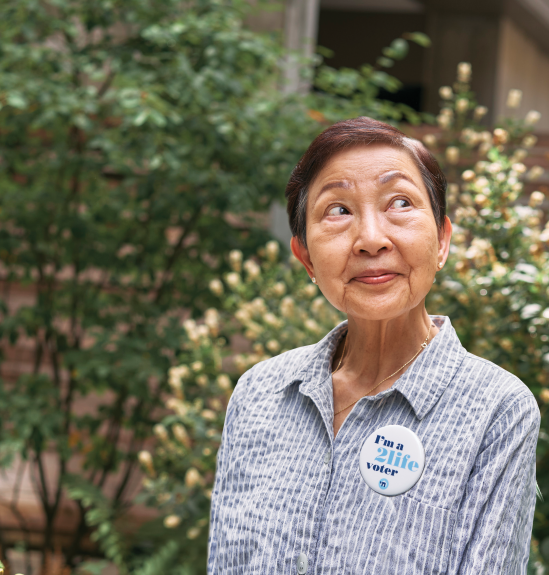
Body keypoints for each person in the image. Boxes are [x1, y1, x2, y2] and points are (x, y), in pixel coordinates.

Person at [208, 117, 540, 574]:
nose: (370, 239)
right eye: (338, 210)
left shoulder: (496, 410)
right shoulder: (259, 394)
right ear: (305, 256)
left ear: (442, 240)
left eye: (399, 202)